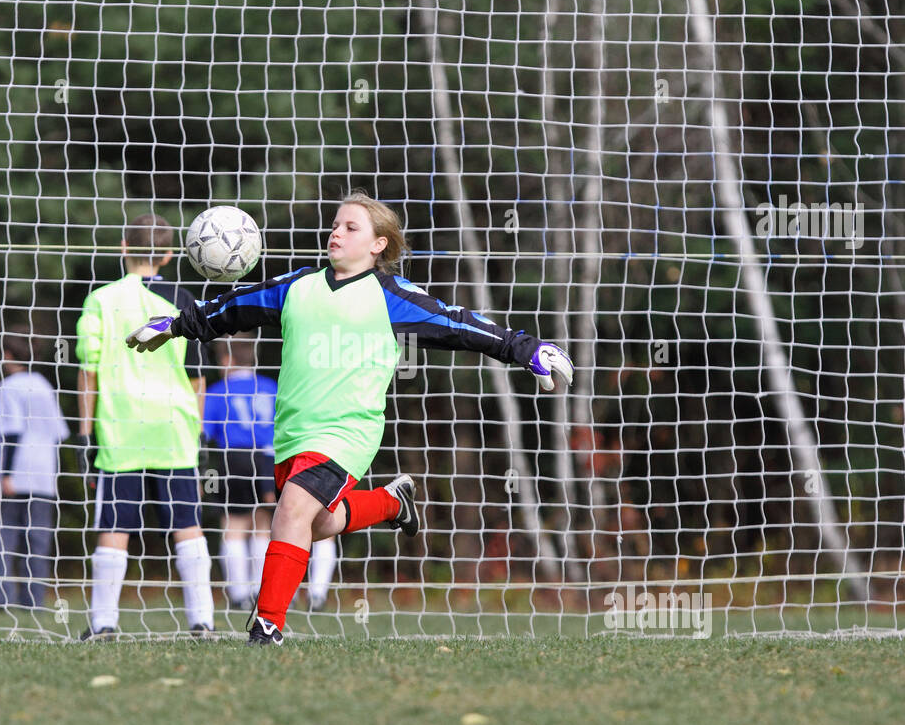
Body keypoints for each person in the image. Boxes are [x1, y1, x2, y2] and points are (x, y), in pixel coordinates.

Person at [127, 190, 573, 645]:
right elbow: (234, 307)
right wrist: (175, 325)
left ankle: (267, 625)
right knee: (317, 524)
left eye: (350, 227)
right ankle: (391, 502)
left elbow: (462, 324)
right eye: (335, 225)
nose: (336, 232)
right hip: (294, 432)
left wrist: (527, 348)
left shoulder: (392, 296)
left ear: (379, 244)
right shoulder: (297, 285)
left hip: (348, 431)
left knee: (291, 512)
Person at [74, 212, 214, 638]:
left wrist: (85, 433)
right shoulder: (184, 299)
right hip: (174, 430)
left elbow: (89, 372)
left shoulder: (101, 299)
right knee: (186, 523)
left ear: (123, 247)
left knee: (115, 524)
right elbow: (197, 379)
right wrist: (199, 431)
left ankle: (103, 624)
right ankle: (202, 620)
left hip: (120, 431)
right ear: (169, 255)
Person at [0, 332, 69, 609]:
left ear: (9, 355)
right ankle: (34, 601)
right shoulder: (44, 385)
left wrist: (6, 474)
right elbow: (59, 432)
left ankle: (2, 599)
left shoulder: (9, 386)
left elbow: (12, 431)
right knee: (37, 539)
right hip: (43, 475)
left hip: (15, 474)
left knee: (4, 538)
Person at [201, 333, 278, 609]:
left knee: (233, 527)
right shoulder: (271, 387)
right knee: (263, 526)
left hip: (233, 458)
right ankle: (262, 592)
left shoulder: (217, 390)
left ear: (226, 359)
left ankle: (237, 594)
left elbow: (204, 433)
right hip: (268, 458)